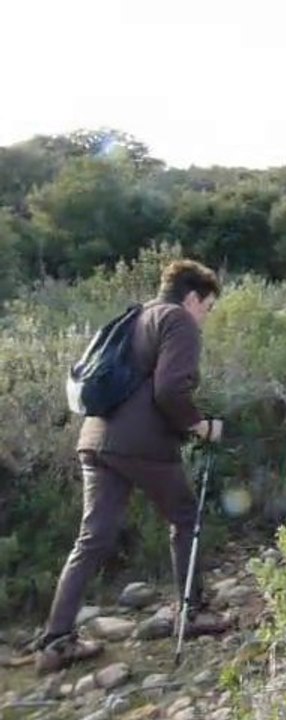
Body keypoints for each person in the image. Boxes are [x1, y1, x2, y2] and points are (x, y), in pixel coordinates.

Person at [35, 260, 230, 674]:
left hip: (96, 438)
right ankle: (191, 612)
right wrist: (200, 425)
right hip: (142, 443)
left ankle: (56, 641)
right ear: (193, 297)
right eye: (207, 307)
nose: (205, 317)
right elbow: (170, 388)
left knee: (92, 538)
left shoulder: (136, 315)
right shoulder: (178, 320)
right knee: (185, 517)